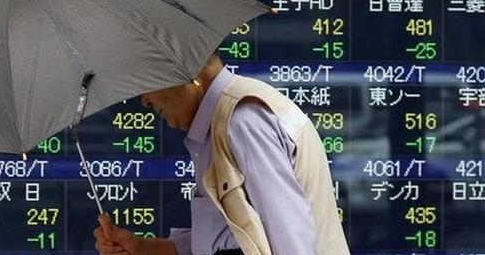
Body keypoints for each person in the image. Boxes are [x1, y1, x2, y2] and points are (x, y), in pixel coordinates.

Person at [93, 52, 349, 255]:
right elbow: (236, 236)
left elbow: (290, 238)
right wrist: (148, 249)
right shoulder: (222, 124)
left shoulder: (242, 122)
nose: (144, 100)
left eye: (146, 83)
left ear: (188, 72)